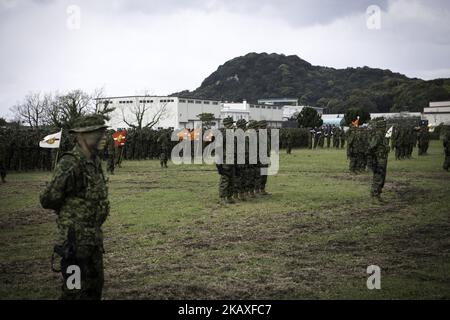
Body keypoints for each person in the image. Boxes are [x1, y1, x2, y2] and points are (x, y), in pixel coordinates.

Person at [40, 114, 110, 300]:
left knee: (94, 290)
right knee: (74, 293)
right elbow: (48, 199)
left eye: (104, 132)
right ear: (82, 135)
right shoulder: (70, 163)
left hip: (93, 241)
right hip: (74, 244)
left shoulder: (94, 162)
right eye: (98, 133)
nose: (104, 137)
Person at [368, 119, 390, 201]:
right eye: (384, 126)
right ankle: (375, 195)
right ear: (381, 127)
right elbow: (371, 147)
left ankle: (377, 194)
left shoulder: (381, 135)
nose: (385, 128)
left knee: (381, 177)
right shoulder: (378, 135)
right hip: (378, 160)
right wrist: (372, 159)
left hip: (382, 160)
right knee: (378, 177)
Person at [217, 117, 236, 204]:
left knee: (232, 179)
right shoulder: (222, 135)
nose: (233, 125)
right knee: (225, 179)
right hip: (225, 160)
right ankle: (222, 198)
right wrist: (219, 165)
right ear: (226, 125)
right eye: (231, 124)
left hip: (232, 160)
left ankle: (229, 197)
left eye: (232, 124)